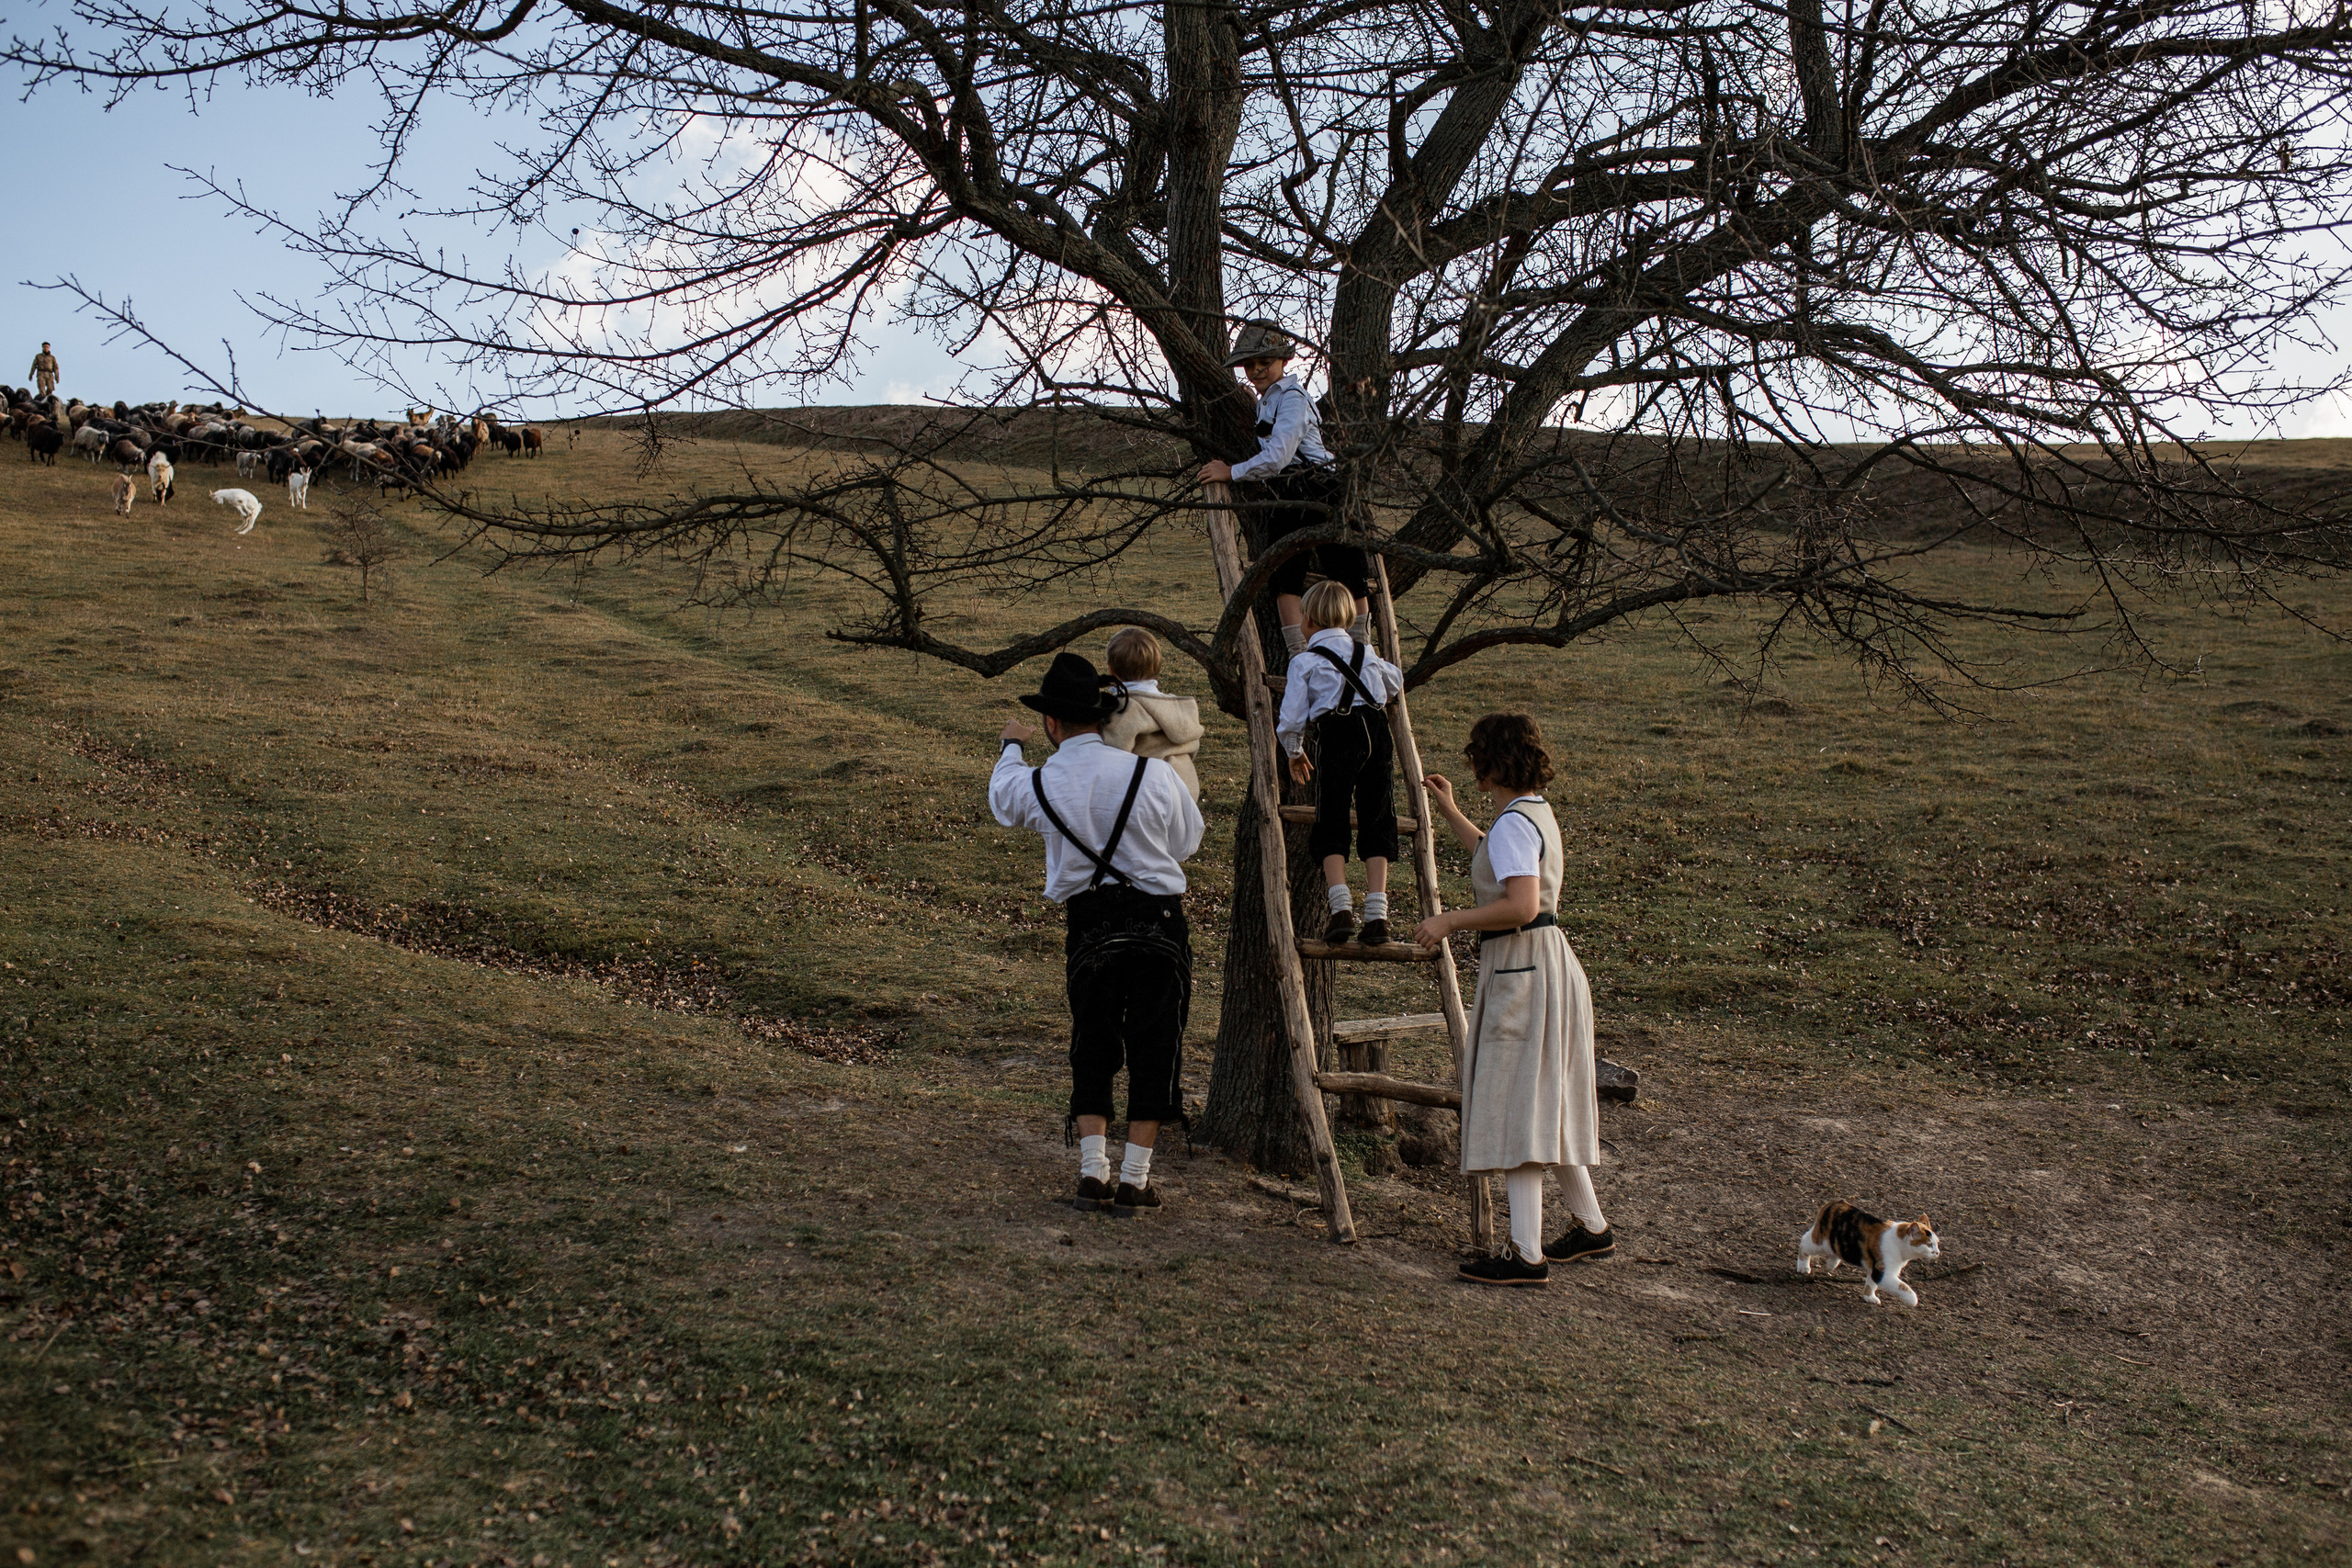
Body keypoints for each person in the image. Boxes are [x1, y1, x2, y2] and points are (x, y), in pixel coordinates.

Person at [992, 651, 1206, 1214]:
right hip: (1158, 918)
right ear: (1103, 716)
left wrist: (1010, 744)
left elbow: (1003, 799)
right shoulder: (1152, 773)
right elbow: (1188, 841)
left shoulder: (1040, 782)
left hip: (1089, 922)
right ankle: (1136, 1179)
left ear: (1050, 723)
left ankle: (1093, 1171)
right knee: (1156, 1043)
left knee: (1094, 1041)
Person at [1412, 714, 1616, 1286]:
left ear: (1497, 761)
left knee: (1519, 1104)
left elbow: (1521, 903)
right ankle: (1592, 1227)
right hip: (1544, 965)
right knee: (1541, 1096)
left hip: (1524, 967)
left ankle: (1526, 1254)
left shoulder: (1514, 824)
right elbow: (1494, 855)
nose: (1471, 762)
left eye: (1478, 754)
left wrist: (1449, 920)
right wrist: (1452, 811)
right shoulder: (1528, 815)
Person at [1195, 324, 1371, 660]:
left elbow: (1277, 457)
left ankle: (1361, 648)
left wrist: (1231, 472)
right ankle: (1298, 653)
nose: (1257, 370)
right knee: (1284, 572)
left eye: (1265, 362)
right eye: (1250, 365)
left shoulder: (1292, 399)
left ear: (1283, 360)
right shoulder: (1269, 400)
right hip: (1286, 492)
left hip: (1317, 486)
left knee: (1347, 566)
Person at [1279, 580, 1404, 946]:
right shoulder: (1366, 653)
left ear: (1308, 621)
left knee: (1331, 814)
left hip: (1338, 734)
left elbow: (1291, 718)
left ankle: (1340, 908)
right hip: (1378, 734)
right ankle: (1377, 916)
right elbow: (1394, 682)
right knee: (1378, 814)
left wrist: (1294, 750)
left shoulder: (1305, 661)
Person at [1098, 627, 1204, 802]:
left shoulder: (1122, 710)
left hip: (1148, 794)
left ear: (1111, 669)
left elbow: (1112, 755)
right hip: (1186, 790)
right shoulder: (1178, 708)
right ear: (1157, 666)